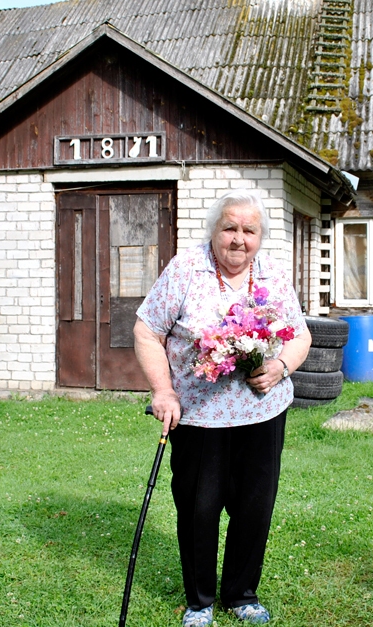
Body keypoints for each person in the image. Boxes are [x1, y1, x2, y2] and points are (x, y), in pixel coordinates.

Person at [134, 188, 312, 626]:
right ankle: (199, 602)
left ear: (260, 237)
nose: (238, 239)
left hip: (262, 413)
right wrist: (163, 391)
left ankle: (241, 594)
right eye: (229, 228)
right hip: (198, 416)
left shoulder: (272, 274)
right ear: (214, 230)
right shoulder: (186, 269)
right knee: (199, 508)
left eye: (249, 231)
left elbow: (300, 335)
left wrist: (281, 367)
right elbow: (147, 331)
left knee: (255, 506)